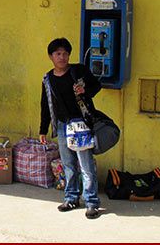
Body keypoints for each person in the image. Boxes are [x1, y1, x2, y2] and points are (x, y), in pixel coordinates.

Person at [39, 38, 102, 220]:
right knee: (68, 164)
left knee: (86, 164)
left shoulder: (78, 71)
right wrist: (43, 129)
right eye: (58, 53)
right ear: (51, 56)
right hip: (62, 125)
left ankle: (91, 202)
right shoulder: (48, 79)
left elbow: (96, 85)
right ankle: (71, 198)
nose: (62, 57)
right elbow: (45, 105)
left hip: (81, 123)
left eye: (65, 53)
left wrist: (85, 91)